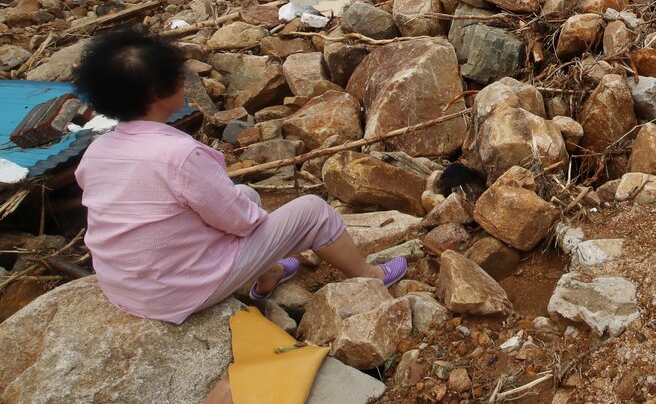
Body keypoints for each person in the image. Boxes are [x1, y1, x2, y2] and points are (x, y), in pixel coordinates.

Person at [73, 25, 406, 324]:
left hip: (125, 285)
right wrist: (279, 232)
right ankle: (370, 275)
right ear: (158, 92)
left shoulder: (98, 150)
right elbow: (240, 221)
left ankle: (269, 273)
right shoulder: (179, 156)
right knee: (313, 212)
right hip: (175, 292)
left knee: (246, 194)